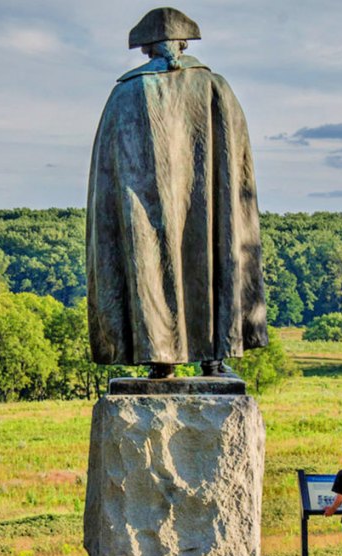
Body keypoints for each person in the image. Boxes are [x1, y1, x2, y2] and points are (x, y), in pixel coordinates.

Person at [85, 7, 268, 379]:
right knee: (211, 258)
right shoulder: (216, 87)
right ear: (182, 44)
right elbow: (238, 169)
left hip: (144, 213)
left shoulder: (125, 94)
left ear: (147, 50)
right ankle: (213, 358)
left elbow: (106, 181)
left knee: (149, 264)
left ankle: (160, 358)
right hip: (207, 212)